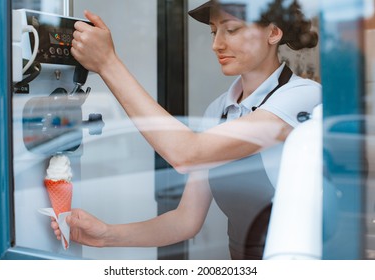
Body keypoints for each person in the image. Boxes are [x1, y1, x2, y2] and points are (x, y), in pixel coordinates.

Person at [51, 0, 321, 259]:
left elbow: (186, 153)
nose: (217, 44)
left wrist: (108, 64)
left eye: (232, 29)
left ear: (273, 32)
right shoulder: (219, 110)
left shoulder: (303, 96)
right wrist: (106, 235)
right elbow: (185, 221)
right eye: (214, 32)